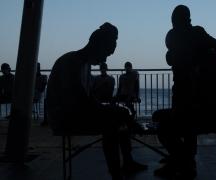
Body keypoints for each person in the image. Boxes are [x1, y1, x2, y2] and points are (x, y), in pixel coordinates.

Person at [46, 22, 145, 180]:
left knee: (119, 116)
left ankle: (127, 162)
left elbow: (86, 98)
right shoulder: (73, 63)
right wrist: (115, 111)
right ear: (97, 45)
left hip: (70, 113)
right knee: (112, 122)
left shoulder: (81, 63)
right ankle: (117, 173)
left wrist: (112, 109)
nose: (104, 59)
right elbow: (80, 102)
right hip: (63, 118)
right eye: (106, 54)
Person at [153, 5, 216, 179]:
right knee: (179, 119)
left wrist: (199, 67)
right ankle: (182, 159)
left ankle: (183, 162)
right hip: (205, 112)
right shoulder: (200, 61)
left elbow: (189, 103)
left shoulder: (197, 69)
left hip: (206, 114)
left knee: (167, 125)